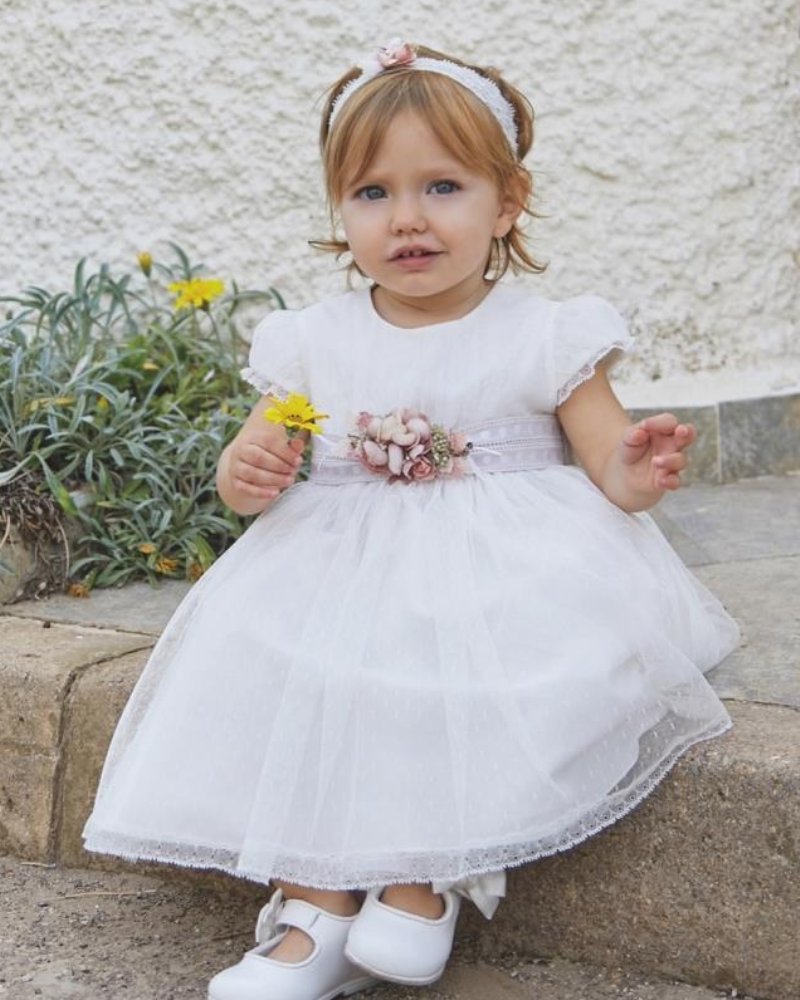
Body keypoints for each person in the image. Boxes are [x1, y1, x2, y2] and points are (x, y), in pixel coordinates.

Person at [82, 38, 741, 1000]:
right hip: (340, 560)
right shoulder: (312, 341)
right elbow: (254, 463)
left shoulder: (544, 333)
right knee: (299, 670)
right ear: (339, 210)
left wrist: (636, 470)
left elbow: (609, 462)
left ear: (506, 202)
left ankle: (424, 877)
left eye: (442, 187)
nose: (407, 218)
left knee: (474, 674)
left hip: (512, 565)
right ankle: (313, 907)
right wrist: (245, 472)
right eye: (372, 193)